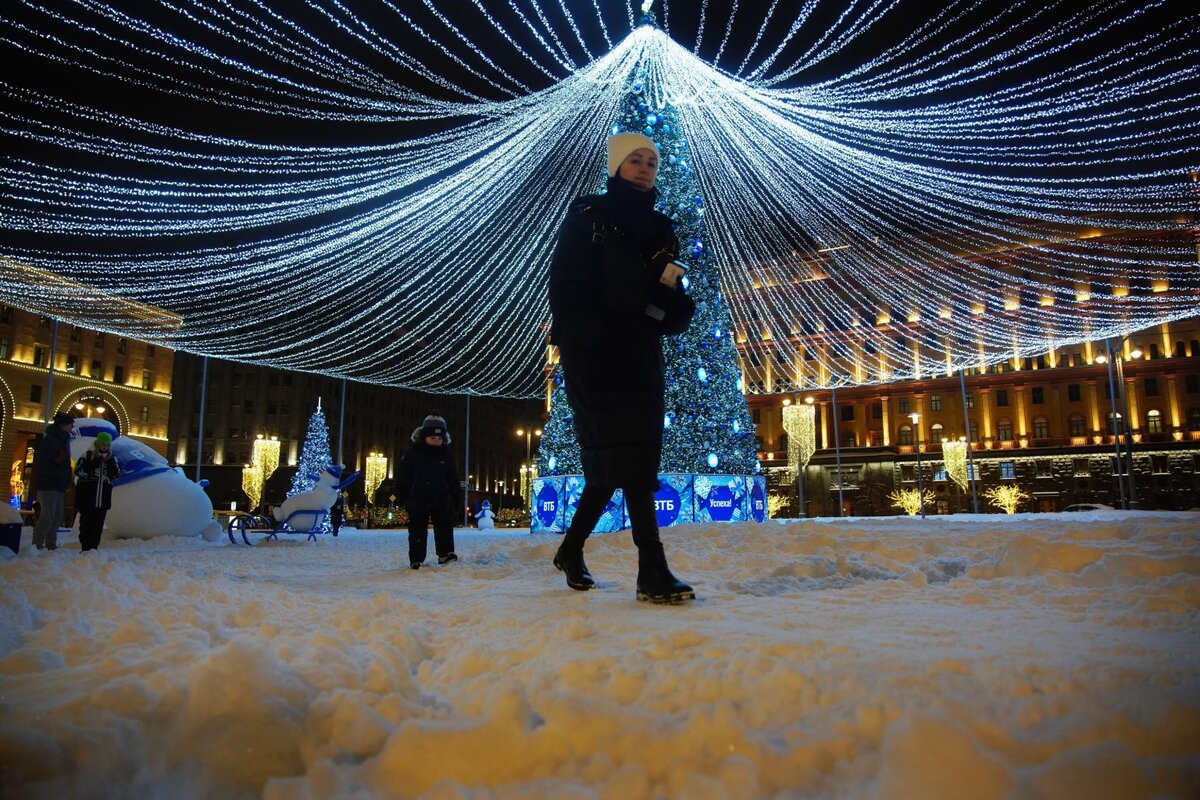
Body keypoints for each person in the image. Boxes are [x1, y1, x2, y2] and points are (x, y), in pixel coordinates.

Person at [548, 131, 697, 604]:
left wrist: (674, 306)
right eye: (635, 160)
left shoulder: (662, 229)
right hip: (594, 354)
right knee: (628, 459)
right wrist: (592, 336)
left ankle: (571, 551)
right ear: (616, 167)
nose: (644, 168)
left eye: (651, 161)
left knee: (620, 462)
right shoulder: (589, 217)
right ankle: (651, 569)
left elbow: (662, 297)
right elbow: (566, 287)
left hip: (640, 352)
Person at [395, 412, 462, 569]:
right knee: (417, 528)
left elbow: (453, 477)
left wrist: (455, 496)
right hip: (418, 497)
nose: (436, 441)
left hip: (441, 497)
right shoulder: (412, 454)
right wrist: (403, 495)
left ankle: (445, 553)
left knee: (444, 525)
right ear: (423, 437)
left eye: (439, 439)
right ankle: (416, 558)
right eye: (432, 438)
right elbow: (403, 476)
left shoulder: (446, 455)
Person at [32, 411, 75, 551]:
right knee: (48, 515)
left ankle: (51, 544)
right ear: (62, 425)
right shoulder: (51, 440)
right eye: (69, 425)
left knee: (57, 516)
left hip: (59, 485)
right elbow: (43, 461)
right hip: (48, 484)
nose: (71, 428)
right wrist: (58, 466)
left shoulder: (63, 440)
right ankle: (37, 545)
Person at [73, 431, 120, 551]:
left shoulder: (111, 459)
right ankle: (85, 546)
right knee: (85, 523)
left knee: (97, 524)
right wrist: (92, 465)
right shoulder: (87, 455)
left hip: (102, 499)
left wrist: (110, 466)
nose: (104, 447)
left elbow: (116, 475)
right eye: (102, 444)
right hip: (87, 497)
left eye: (107, 444)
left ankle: (93, 547)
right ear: (98, 444)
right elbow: (78, 471)